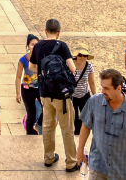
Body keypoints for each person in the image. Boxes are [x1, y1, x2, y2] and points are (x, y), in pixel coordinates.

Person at [77, 69, 126, 180]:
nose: (103, 91)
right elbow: (86, 125)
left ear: (118, 88)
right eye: (102, 87)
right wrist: (80, 150)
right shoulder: (94, 102)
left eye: (107, 88)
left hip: (125, 172)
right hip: (99, 167)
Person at [30, 18, 79, 170]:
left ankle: (49, 157)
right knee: (67, 128)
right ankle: (71, 162)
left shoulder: (37, 46)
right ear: (59, 32)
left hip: (45, 92)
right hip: (61, 94)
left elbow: (32, 67)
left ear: (45, 31)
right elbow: (72, 68)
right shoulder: (62, 46)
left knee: (47, 126)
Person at [16, 34, 42, 135]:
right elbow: (18, 77)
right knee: (31, 114)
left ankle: (38, 124)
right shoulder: (23, 60)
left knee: (46, 110)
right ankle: (29, 134)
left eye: (36, 44)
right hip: (27, 89)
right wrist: (18, 93)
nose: (34, 47)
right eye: (32, 44)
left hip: (39, 88)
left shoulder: (42, 58)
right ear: (28, 46)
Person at [70, 47, 96, 135]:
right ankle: (77, 133)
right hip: (72, 96)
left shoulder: (89, 66)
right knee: (74, 117)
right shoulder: (70, 64)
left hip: (84, 95)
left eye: (84, 55)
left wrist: (95, 96)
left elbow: (92, 82)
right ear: (76, 55)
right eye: (80, 55)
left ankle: (83, 134)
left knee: (85, 117)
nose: (82, 57)